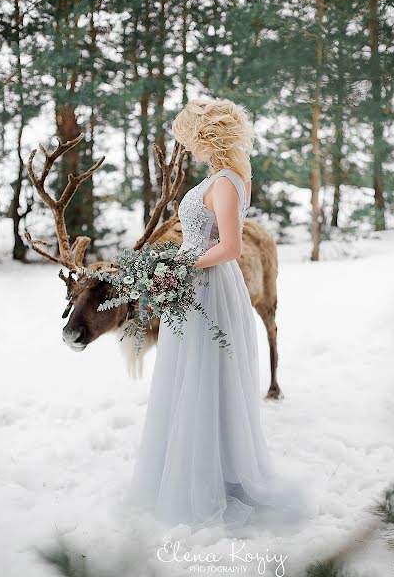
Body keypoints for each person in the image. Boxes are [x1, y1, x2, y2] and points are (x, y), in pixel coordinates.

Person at [126, 97, 313, 534]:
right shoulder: (218, 177)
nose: (187, 147)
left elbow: (231, 247)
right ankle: (192, 471)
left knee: (206, 376)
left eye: (190, 138)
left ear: (208, 137)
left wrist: (176, 265)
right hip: (197, 283)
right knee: (189, 375)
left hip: (209, 288)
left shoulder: (226, 181)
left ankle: (214, 482)